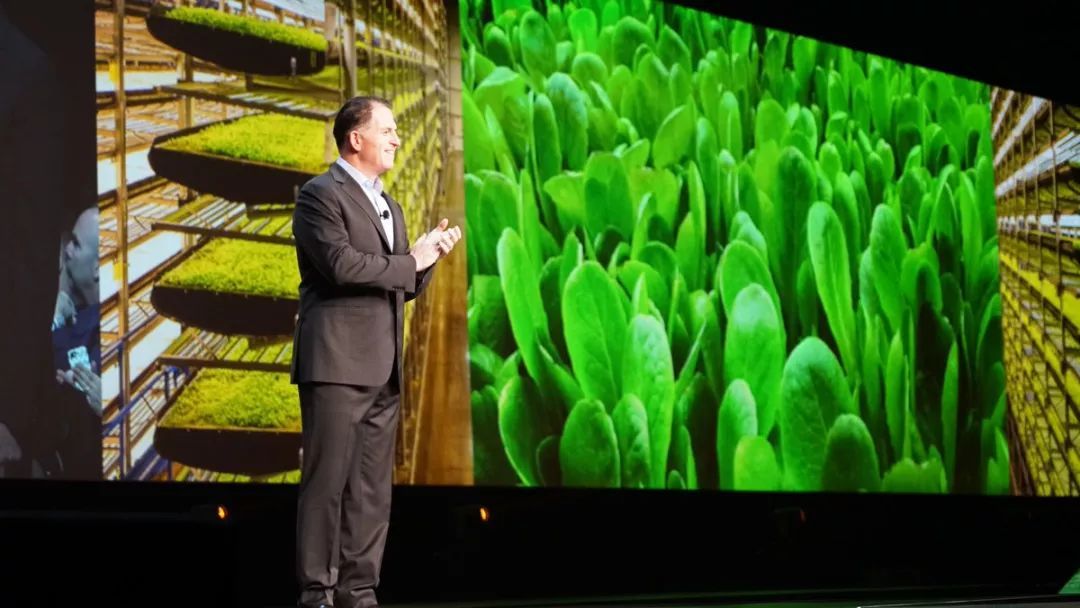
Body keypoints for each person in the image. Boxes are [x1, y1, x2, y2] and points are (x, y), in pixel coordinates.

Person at [290, 95, 461, 608]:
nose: (397, 139)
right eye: (386, 130)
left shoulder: (391, 205)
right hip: (337, 364)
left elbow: (397, 286)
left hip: (383, 368)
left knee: (370, 490)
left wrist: (426, 259)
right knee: (327, 485)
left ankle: (358, 591)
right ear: (355, 138)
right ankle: (317, 593)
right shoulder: (321, 195)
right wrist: (411, 261)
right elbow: (341, 266)